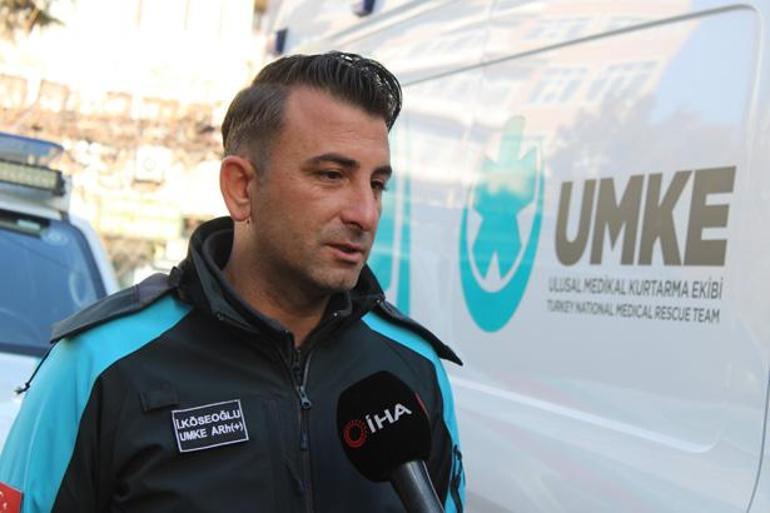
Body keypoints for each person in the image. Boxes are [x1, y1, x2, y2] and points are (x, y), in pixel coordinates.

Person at [0, 52, 465, 513]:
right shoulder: (99, 363)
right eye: (331, 175)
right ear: (241, 187)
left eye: (377, 184)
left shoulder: (414, 367)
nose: (364, 213)